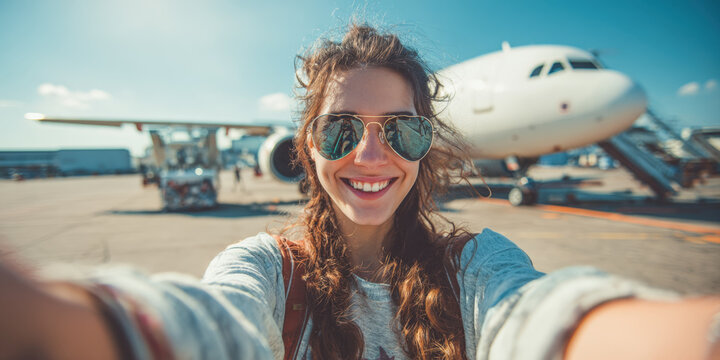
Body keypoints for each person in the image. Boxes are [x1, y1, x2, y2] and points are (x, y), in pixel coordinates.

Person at [1, 24, 719, 360]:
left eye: (400, 131)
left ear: (426, 139)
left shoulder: (476, 266)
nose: (371, 153)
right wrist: (55, 325)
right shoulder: (265, 271)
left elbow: (538, 319)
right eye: (341, 129)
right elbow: (213, 323)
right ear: (307, 144)